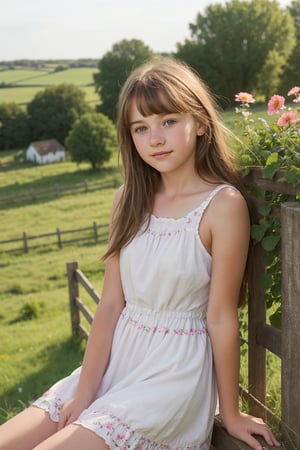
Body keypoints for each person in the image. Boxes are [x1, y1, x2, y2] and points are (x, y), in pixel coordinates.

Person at [0, 58, 280, 450]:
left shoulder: (222, 205)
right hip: (117, 361)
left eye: (168, 121)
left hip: (173, 376)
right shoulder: (127, 199)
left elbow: (220, 316)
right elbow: (111, 305)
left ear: (200, 123)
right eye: (141, 128)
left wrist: (230, 413)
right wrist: (85, 391)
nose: (155, 138)